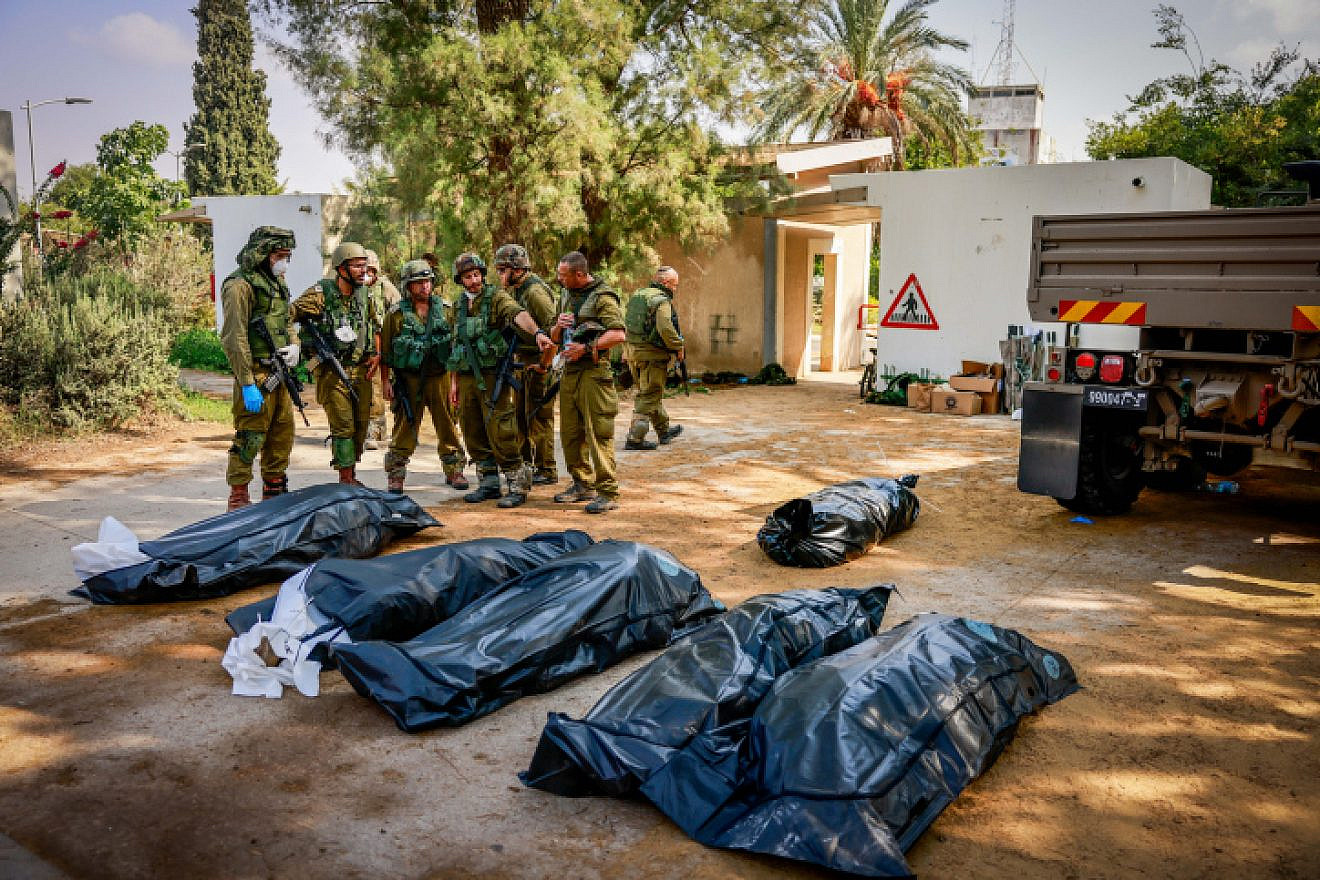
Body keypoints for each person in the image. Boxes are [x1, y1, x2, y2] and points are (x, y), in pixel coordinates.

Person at [446, 252, 555, 507]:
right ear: (460, 280)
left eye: (476, 275)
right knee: (472, 430)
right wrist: (453, 383)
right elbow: (456, 344)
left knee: (502, 430)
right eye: (467, 277)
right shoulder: (458, 305)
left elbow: (518, 314)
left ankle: (517, 484)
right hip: (466, 377)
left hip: (493, 376)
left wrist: (537, 332)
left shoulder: (496, 297)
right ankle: (488, 483)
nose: (473, 281)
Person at [219, 226, 299, 511]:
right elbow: (234, 336)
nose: (284, 261)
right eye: (279, 255)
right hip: (255, 373)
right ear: (262, 253)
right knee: (250, 435)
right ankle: (238, 495)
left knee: (281, 435)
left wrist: (294, 345)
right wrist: (246, 382)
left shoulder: (277, 283)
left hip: (280, 373)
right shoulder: (239, 286)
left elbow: (287, 320)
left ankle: (273, 492)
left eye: (287, 256)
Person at [289, 241, 379, 485]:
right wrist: (295, 345)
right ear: (341, 269)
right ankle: (345, 478)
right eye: (357, 266)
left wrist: (377, 354)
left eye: (365, 266)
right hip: (331, 371)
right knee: (343, 426)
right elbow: (289, 315)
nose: (363, 271)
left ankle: (352, 471)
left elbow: (374, 324)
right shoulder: (320, 294)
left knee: (361, 426)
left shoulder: (364, 294)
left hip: (361, 369)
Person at [379, 259, 469, 493]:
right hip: (408, 379)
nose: (424, 287)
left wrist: (454, 383)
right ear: (408, 286)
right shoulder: (396, 315)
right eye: (418, 283)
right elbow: (386, 352)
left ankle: (455, 470)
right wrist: (385, 381)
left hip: (440, 377)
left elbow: (456, 349)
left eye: (427, 282)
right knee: (404, 427)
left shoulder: (447, 311)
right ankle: (396, 475)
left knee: (448, 425)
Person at [551, 251, 627, 514]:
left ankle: (607, 491)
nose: (560, 280)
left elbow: (618, 334)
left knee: (598, 432)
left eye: (564, 276)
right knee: (571, 433)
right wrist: (559, 326)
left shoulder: (603, 297)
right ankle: (581, 483)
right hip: (570, 372)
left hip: (594, 372)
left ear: (580, 274)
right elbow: (553, 335)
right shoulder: (565, 294)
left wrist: (587, 347)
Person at [493, 243, 560, 485]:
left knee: (538, 416)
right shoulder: (518, 289)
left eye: (503, 270)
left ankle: (546, 468)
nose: (500, 275)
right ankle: (528, 463)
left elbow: (555, 335)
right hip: (523, 361)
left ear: (517, 269)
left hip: (538, 362)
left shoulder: (534, 293)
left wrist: (544, 366)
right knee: (522, 416)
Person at [624, 265, 685, 450]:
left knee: (652, 393)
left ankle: (663, 430)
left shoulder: (639, 295)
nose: (675, 289)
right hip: (652, 355)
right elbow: (665, 328)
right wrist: (678, 346)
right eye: (674, 285)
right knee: (649, 394)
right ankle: (635, 439)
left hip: (634, 352)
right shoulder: (661, 301)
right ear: (665, 283)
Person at [363, 249, 402, 449]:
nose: (366, 274)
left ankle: (377, 428)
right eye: (364, 269)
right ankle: (367, 427)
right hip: (361, 348)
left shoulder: (385, 287)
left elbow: (399, 314)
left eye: (370, 270)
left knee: (379, 389)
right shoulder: (355, 288)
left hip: (382, 346)